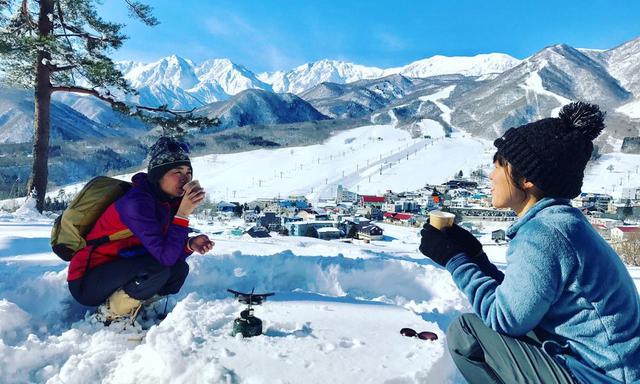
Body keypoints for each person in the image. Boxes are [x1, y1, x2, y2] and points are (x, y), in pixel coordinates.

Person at [419, 102, 640, 383]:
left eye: (498, 164)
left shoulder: (543, 234)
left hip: (600, 377)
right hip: (609, 368)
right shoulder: (563, 222)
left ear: (525, 179)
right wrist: (475, 256)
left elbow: (505, 319)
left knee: (467, 331)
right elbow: (523, 302)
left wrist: (455, 260)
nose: (491, 175)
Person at [67, 136, 214, 324]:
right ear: (158, 175)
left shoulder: (168, 203)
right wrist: (183, 214)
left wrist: (189, 245)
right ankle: (108, 314)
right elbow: (164, 257)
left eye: (188, 172)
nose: (186, 178)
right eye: (177, 172)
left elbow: (169, 254)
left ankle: (137, 304)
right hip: (88, 280)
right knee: (157, 269)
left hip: (122, 267)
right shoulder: (136, 204)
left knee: (178, 270)